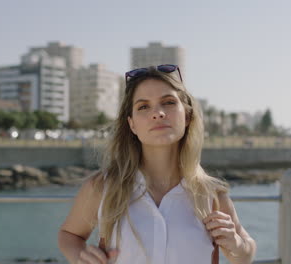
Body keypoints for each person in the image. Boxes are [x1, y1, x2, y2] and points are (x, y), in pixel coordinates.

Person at [58, 64, 256, 264]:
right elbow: (69, 235)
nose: (158, 113)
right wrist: (80, 256)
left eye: (168, 102)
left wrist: (237, 245)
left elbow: (246, 253)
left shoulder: (212, 196)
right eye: (143, 106)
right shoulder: (102, 188)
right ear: (132, 124)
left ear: (187, 116)